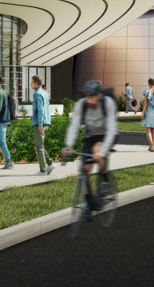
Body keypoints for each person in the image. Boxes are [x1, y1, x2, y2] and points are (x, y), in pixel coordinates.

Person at [63, 81, 118, 222]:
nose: (88, 100)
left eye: (91, 97)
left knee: (97, 149)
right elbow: (74, 126)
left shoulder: (108, 104)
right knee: (84, 170)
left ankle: (105, 178)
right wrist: (69, 145)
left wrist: (103, 150)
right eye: (86, 97)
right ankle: (89, 204)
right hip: (90, 136)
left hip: (107, 134)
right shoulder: (81, 105)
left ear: (99, 95)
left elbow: (112, 128)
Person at [30, 76, 53, 174]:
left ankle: (43, 170)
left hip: (40, 123)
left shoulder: (37, 94)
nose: (31, 84)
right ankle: (50, 163)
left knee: (39, 147)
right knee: (41, 145)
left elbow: (40, 109)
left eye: (31, 82)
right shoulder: (44, 93)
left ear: (35, 83)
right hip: (47, 122)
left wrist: (39, 124)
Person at [141, 78, 154, 152]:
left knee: (148, 129)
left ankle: (151, 144)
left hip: (149, 111)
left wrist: (143, 113)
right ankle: (151, 145)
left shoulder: (147, 92)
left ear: (149, 83)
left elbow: (145, 103)